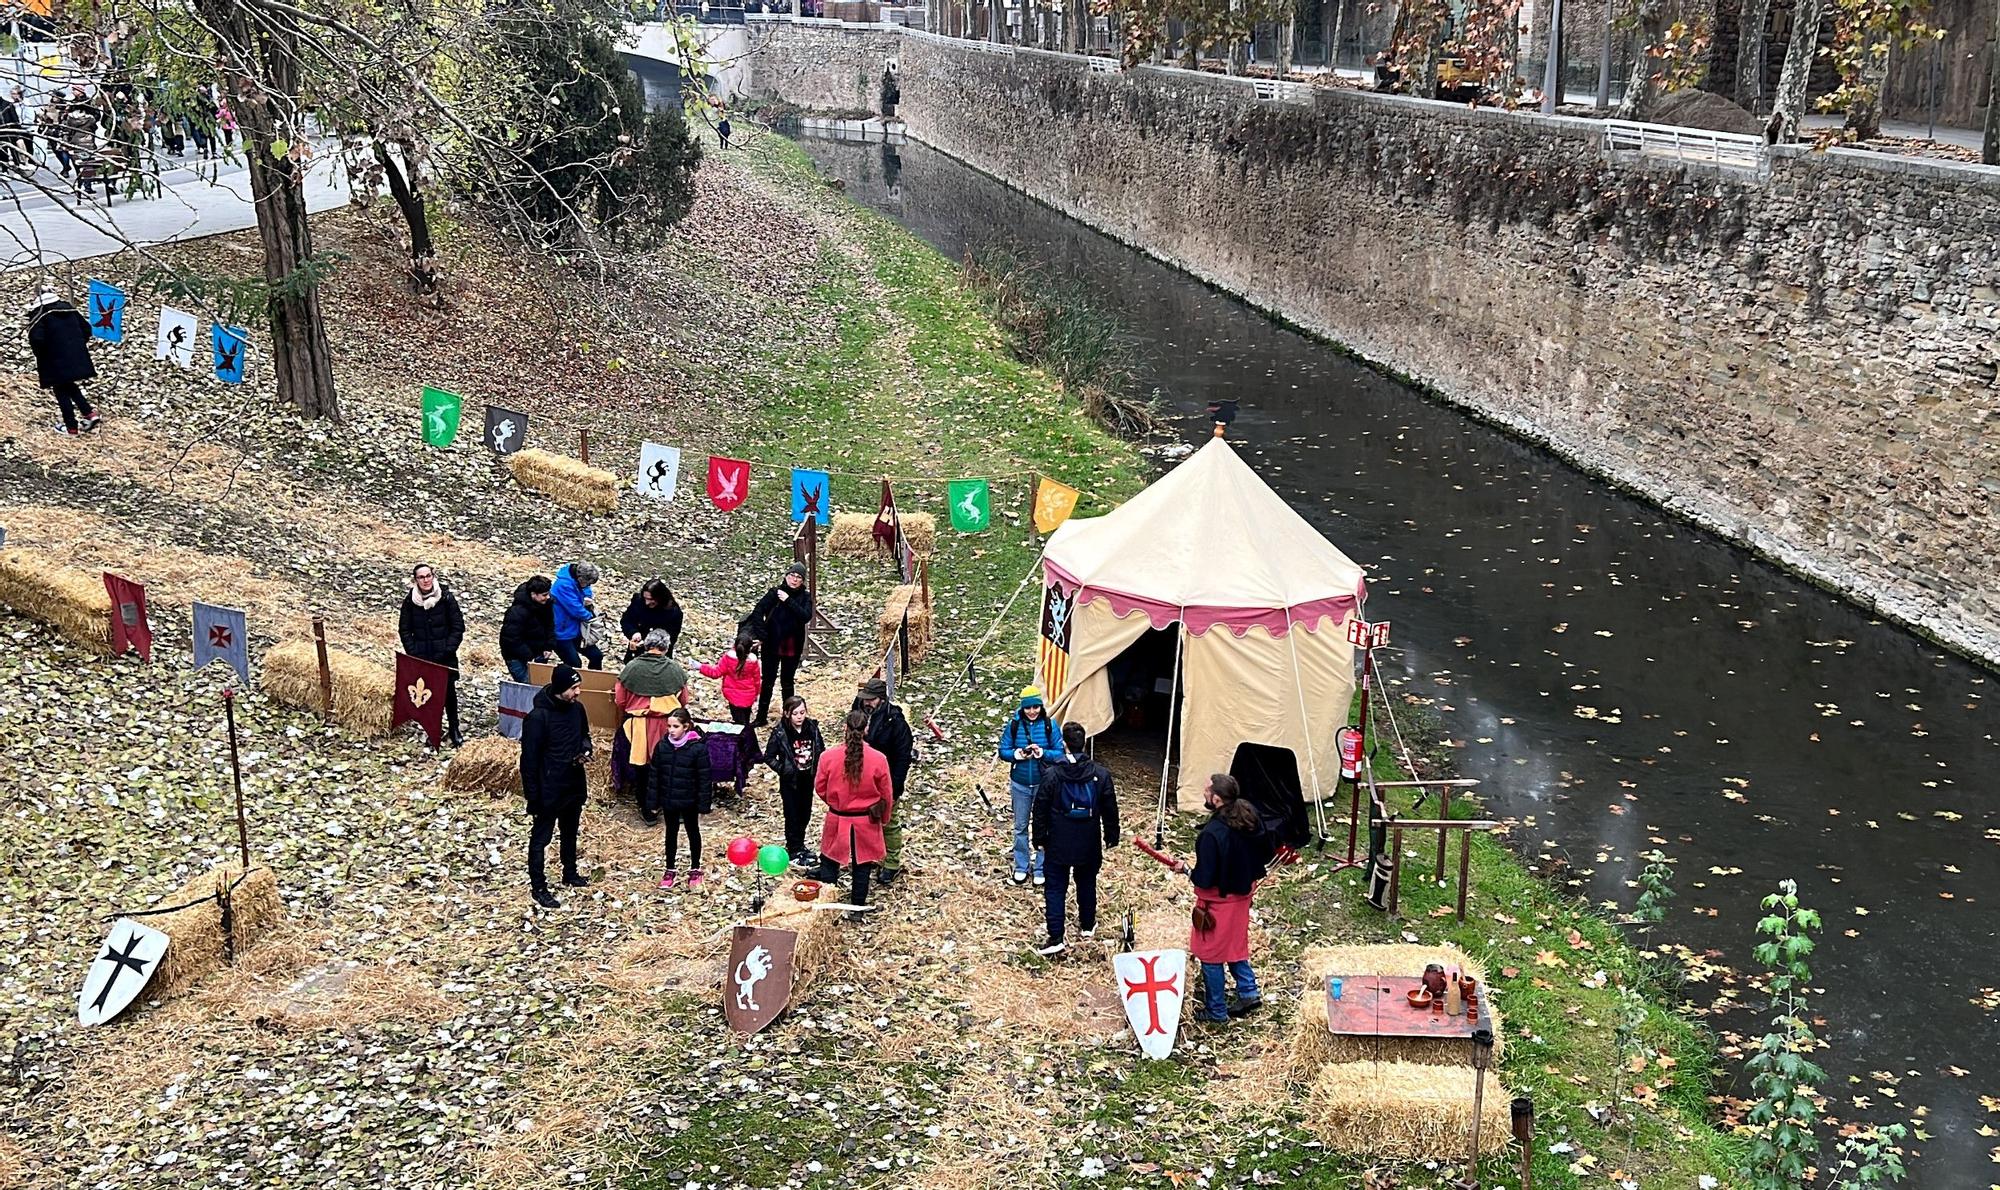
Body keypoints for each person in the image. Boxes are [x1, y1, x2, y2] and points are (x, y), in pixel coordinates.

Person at [1169, 773, 1271, 1022]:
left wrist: (1185, 869)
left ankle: (1216, 1009)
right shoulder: (1249, 814)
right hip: (1243, 893)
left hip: (1219, 901)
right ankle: (1248, 991)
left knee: (1210, 954)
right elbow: (1267, 850)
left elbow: (1204, 878)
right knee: (1235, 943)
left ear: (1216, 799)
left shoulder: (1212, 834)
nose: (1204, 792)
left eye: (1207, 790)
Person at [1031, 722, 1117, 955]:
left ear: (1064, 745)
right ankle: (1087, 925)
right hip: (1089, 840)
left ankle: (1056, 936)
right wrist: (1112, 834)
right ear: (1084, 742)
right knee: (1087, 882)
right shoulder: (1100, 774)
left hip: (1058, 840)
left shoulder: (1052, 774)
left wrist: (1038, 837)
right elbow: (1110, 807)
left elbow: (1040, 807)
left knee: (1056, 888)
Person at [520, 665, 593, 909]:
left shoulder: (577, 710)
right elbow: (528, 760)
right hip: (549, 788)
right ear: (561, 689)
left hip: (573, 783)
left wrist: (585, 750)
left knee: (570, 831)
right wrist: (533, 796)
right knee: (541, 839)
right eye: (573, 688)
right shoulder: (538, 718)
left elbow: (585, 736)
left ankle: (569, 872)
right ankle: (539, 886)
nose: (578, 692)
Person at [814, 709, 893, 908]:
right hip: (865, 820)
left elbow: (820, 788)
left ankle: (827, 905)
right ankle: (857, 907)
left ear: (844, 728)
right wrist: (883, 818)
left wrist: (835, 803)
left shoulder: (828, 757)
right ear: (867, 729)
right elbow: (886, 794)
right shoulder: (879, 759)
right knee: (862, 866)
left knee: (829, 861)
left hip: (838, 817)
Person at [613, 629, 689, 817]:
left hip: (639, 726)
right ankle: (670, 806)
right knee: (669, 767)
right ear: (666, 646)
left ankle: (648, 809)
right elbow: (684, 701)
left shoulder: (631, 668)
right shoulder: (675, 670)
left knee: (643, 769)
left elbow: (620, 701)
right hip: (669, 726)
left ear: (647, 646)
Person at [997, 686, 1062, 887]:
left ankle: (1041, 866)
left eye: (1035, 707)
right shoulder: (1014, 725)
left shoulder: (1050, 725)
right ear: (1022, 708)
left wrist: (1043, 753)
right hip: (1021, 783)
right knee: (1020, 827)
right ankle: (1021, 866)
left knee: (1044, 826)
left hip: (1044, 785)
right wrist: (1018, 754)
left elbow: (1059, 752)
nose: (1032, 711)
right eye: (1028, 708)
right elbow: (1003, 750)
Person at [854, 677, 914, 886]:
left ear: (881, 699)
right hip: (862, 779)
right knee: (865, 821)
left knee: (889, 823)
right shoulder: (859, 709)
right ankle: (870, 855)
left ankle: (891, 863)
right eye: (865, 699)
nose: (866, 703)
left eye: (871, 700)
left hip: (885, 780)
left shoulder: (895, 722)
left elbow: (902, 758)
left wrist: (895, 787)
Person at [397, 562, 466, 746]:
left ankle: (454, 728)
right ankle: (433, 729)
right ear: (415, 580)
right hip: (423, 657)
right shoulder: (410, 602)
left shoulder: (446, 598)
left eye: (428, 576)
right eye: (421, 577)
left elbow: (458, 626)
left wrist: (448, 649)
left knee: (449, 694)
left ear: (433, 576)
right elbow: (404, 629)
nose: (426, 580)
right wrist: (413, 652)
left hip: (444, 656)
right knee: (429, 695)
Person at [648, 707, 711, 888]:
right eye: (669, 726)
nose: (671, 730)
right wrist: (653, 801)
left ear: (686, 726)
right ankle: (670, 868)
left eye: (675, 726)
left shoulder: (697, 749)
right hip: (669, 799)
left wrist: (704, 804)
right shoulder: (663, 746)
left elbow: (704, 778)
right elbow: (654, 775)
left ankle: (695, 867)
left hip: (689, 800)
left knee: (693, 832)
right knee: (671, 833)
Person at [745, 563, 814, 725]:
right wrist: (762, 635)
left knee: (787, 682)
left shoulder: (804, 597)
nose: (794, 580)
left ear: (802, 581)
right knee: (767, 681)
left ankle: (788, 717)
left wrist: (789, 600)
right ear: (786, 576)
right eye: (792, 576)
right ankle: (761, 717)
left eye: (798, 577)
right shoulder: (774, 593)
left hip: (792, 644)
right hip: (772, 643)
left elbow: (805, 616)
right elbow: (757, 612)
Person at [26, 288, 100, 436]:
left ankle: (71, 428)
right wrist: (76, 345)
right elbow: (86, 329)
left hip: (54, 359)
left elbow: (36, 339)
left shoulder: (40, 315)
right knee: (67, 385)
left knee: (61, 390)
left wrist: (42, 355)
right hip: (75, 355)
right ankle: (89, 413)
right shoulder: (68, 309)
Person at [763, 696, 825, 867]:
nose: (799, 717)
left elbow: (821, 748)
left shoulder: (812, 728)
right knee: (792, 814)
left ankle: (800, 844)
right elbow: (768, 756)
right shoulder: (781, 732)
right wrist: (783, 769)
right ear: (787, 714)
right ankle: (793, 848)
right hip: (790, 781)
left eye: (802, 712)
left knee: (805, 813)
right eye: (795, 713)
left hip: (808, 778)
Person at [499, 575, 557, 682]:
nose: (548, 597)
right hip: (517, 658)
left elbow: (550, 625)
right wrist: (530, 656)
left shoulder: (546, 605)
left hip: (538, 654)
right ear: (533, 594)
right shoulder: (516, 612)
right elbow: (510, 639)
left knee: (538, 685)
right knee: (528, 686)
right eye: (544, 595)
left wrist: (548, 646)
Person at [698, 632, 762, 727]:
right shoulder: (753, 661)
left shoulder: (728, 658)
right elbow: (757, 680)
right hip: (748, 697)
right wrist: (756, 694)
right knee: (745, 720)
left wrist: (700, 667)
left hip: (733, 696)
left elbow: (715, 673)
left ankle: (743, 738)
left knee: (739, 723)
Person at [550, 560, 604, 670]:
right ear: (580, 579)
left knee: (596, 656)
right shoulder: (563, 586)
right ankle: (569, 684)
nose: (588, 586)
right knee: (574, 663)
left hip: (576, 629)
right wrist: (590, 617)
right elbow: (576, 609)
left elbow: (587, 591)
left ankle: (594, 681)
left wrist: (586, 598)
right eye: (587, 583)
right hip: (562, 632)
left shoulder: (580, 582)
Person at [619, 578, 683, 659]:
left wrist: (648, 644)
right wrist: (633, 632)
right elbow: (627, 620)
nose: (647, 603)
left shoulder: (673, 612)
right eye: (645, 598)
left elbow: (671, 638)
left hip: (659, 657)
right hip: (636, 653)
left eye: (651, 599)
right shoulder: (638, 602)